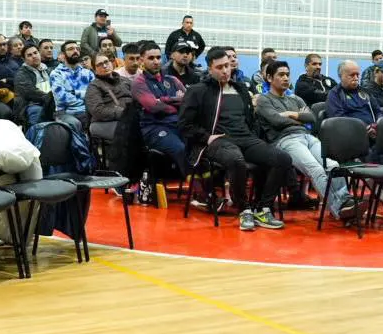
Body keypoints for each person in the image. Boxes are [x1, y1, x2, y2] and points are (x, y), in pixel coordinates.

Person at [178, 47, 291, 231]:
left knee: (282, 159)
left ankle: (263, 208)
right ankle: (244, 210)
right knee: (236, 160)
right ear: (210, 69)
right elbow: (184, 124)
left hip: (245, 138)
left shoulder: (240, 90)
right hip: (218, 141)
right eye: (219, 67)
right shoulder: (198, 91)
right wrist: (206, 137)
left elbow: (251, 120)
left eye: (227, 66)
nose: (225, 71)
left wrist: (254, 136)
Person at [256, 60, 359, 223]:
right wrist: (299, 118)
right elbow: (276, 121)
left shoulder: (296, 99)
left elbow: (311, 118)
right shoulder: (264, 100)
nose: (285, 78)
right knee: (315, 170)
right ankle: (340, 209)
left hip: (308, 137)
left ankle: (346, 201)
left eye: (287, 75)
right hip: (286, 140)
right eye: (281, 75)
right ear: (269, 78)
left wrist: (290, 114)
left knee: (333, 166)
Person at [131, 40, 188, 177]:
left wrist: (162, 100)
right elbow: (153, 107)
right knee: (180, 149)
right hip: (154, 128)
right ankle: (196, 189)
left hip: (177, 124)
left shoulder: (172, 80)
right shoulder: (138, 82)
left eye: (158, 57)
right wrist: (175, 101)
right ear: (141, 60)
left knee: (199, 146)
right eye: (151, 58)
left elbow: (187, 101)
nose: (156, 61)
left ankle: (204, 185)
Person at [84, 51, 132, 142]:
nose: (105, 66)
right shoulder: (94, 86)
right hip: (106, 122)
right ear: (94, 69)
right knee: (134, 131)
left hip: (129, 118)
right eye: (100, 64)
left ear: (111, 63)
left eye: (106, 62)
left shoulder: (125, 81)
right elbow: (98, 111)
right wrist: (124, 113)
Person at [50, 40, 93, 128]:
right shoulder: (56, 74)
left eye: (77, 49)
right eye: (71, 49)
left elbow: (94, 94)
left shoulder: (88, 73)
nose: (75, 51)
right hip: (65, 112)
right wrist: (84, 98)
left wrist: (75, 92)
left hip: (87, 111)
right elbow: (61, 98)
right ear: (62, 54)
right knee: (76, 123)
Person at [13, 41, 55, 126]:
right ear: (24, 60)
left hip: (51, 102)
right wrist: (52, 98)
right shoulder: (21, 74)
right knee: (37, 112)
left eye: (35, 53)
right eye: (29, 55)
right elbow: (31, 93)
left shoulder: (49, 70)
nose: (34, 56)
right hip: (31, 105)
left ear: (39, 54)